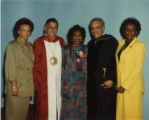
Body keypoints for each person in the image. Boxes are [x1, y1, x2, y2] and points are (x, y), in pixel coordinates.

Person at [33, 18, 65, 120]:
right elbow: (35, 66)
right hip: (44, 83)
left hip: (59, 83)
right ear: (45, 28)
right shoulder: (38, 42)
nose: (53, 29)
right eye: (50, 27)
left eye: (55, 27)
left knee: (59, 107)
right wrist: (37, 85)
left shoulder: (61, 41)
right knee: (43, 110)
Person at [87, 18, 118, 120]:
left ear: (103, 28)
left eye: (97, 27)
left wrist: (112, 79)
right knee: (93, 112)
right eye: (92, 28)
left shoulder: (111, 41)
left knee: (105, 112)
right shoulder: (90, 44)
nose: (94, 30)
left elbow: (117, 63)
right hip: (92, 86)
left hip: (105, 84)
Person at [116, 18, 146, 120]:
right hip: (120, 85)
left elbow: (137, 69)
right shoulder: (121, 44)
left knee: (132, 115)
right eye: (127, 29)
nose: (130, 32)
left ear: (137, 31)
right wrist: (118, 83)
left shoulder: (140, 46)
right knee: (122, 115)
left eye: (133, 30)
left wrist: (124, 86)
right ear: (123, 30)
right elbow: (118, 65)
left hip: (132, 87)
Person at [5, 18, 34, 120]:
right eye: (23, 30)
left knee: (22, 115)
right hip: (16, 85)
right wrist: (13, 85)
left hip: (27, 86)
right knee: (13, 114)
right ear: (18, 31)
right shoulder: (12, 45)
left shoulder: (31, 46)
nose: (26, 32)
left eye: (28, 30)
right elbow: (10, 66)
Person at [60, 25, 87, 120]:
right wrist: (63, 89)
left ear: (83, 37)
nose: (77, 37)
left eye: (79, 35)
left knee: (81, 112)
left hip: (83, 88)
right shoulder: (65, 50)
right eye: (74, 35)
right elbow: (61, 70)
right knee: (69, 112)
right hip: (69, 87)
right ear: (71, 37)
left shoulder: (86, 50)